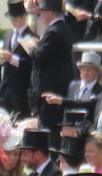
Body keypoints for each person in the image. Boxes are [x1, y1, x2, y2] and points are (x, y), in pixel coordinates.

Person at [31, 0, 76, 130]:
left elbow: (40, 55)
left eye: (43, 12)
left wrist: (33, 47)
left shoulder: (54, 31)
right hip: (59, 87)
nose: (41, 15)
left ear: (50, 12)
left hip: (50, 90)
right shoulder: (63, 28)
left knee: (48, 128)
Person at [0, 0, 36, 118]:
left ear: (24, 16)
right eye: (11, 19)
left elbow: (31, 63)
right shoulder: (9, 34)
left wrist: (12, 59)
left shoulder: (31, 36)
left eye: (16, 18)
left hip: (21, 88)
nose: (13, 21)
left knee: (21, 119)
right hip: (6, 87)